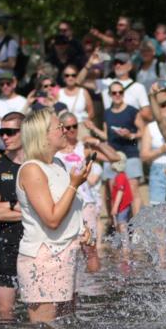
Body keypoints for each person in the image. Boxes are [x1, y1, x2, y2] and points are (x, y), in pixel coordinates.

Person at [16, 108, 92, 323]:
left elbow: (66, 210)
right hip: (43, 258)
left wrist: (82, 229)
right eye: (59, 127)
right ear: (43, 136)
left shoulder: (57, 164)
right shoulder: (32, 169)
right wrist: (75, 185)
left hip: (66, 254)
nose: (64, 130)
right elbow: (51, 218)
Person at [0, 111, 25, 322]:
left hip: (35, 245)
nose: (5, 137)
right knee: (4, 313)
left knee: (39, 311)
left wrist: (12, 208)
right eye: (2, 132)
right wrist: (20, 208)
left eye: (10, 132)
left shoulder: (36, 165)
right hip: (6, 245)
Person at [54, 111, 103, 271]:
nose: (72, 130)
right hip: (65, 203)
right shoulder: (54, 151)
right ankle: (73, 286)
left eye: (75, 126)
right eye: (68, 127)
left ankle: (93, 290)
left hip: (85, 203)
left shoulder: (84, 147)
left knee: (90, 249)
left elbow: (115, 157)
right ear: (61, 129)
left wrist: (97, 142)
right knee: (68, 249)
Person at [90, 80, 144, 218]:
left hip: (130, 154)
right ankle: (116, 226)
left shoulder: (132, 111)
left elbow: (143, 132)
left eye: (120, 92)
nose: (117, 95)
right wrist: (93, 129)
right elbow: (106, 134)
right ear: (110, 95)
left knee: (133, 191)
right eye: (114, 92)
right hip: (112, 155)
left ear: (123, 93)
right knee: (112, 192)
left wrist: (130, 135)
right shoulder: (107, 113)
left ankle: (136, 227)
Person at [139, 89, 166, 205]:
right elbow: (144, 156)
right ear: (157, 108)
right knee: (157, 210)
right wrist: (161, 150)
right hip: (158, 169)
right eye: (163, 105)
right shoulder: (151, 127)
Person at [0, 71, 26, 136]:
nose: (5, 86)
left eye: (8, 83)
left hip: (10, 135)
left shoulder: (23, 101)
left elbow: (20, 121)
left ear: (14, 84)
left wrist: (0, 119)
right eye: (2, 84)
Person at [57, 63, 94, 128]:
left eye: (73, 75)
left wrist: (87, 120)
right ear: (63, 78)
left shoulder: (83, 92)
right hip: (64, 127)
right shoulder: (59, 93)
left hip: (81, 125)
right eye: (67, 75)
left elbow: (91, 112)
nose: (70, 78)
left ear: (77, 77)